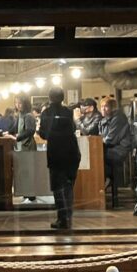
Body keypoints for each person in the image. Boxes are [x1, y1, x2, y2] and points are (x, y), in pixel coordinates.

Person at [38, 87, 82, 229]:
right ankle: (68, 217)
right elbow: (73, 129)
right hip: (71, 153)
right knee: (68, 186)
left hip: (56, 154)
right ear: (63, 98)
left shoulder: (46, 113)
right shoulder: (68, 112)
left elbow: (44, 134)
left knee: (57, 188)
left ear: (49, 98)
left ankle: (62, 218)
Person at [98, 97, 133, 207]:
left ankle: (103, 184)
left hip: (118, 151)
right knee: (96, 160)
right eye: (102, 106)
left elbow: (110, 139)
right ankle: (105, 182)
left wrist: (101, 140)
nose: (103, 109)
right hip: (109, 149)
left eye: (106, 106)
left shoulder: (118, 118)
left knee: (96, 161)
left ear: (112, 108)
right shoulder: (104, 120)